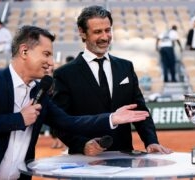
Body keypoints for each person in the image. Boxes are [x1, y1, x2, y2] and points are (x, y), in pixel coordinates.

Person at [0, 25, 149, 180]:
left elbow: (70, 122)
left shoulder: (40, 92)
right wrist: (18, 119)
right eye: (46, 54)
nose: (52, 62)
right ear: (24, 51)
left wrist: (112, 118)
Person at [53, 5, 172, 156]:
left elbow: (139, 110)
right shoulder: (64, 74)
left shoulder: (125, 67)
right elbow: (60, 122)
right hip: (85, 162)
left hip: (123, 159)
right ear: (82, 32)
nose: (104, 37)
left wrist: (151, 141)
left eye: (108, 30)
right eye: (97, 32)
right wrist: (82, 145)